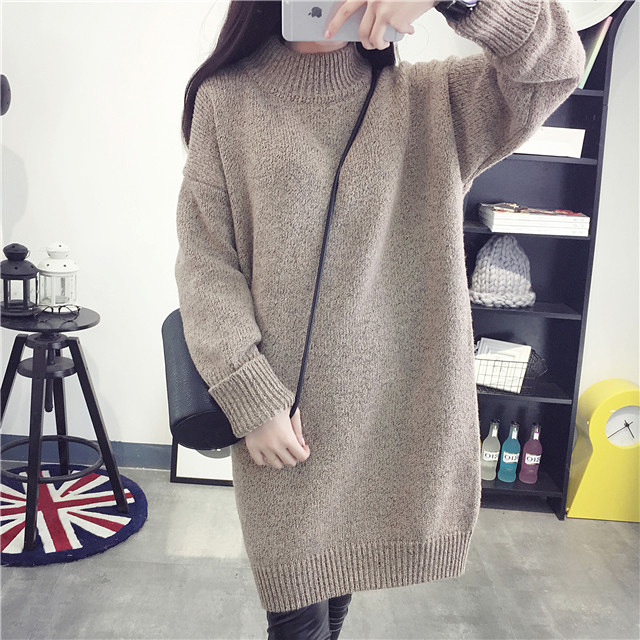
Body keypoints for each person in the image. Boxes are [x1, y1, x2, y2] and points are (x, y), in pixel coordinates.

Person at [174, 0, 586, 637]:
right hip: (283, 418)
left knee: (338, 596)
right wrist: (251, 398)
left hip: (392, 415)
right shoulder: (227, 100)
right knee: (297, 616)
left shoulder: (430, 101)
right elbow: (206, 260)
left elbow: (557, 66)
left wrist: (456, 1)